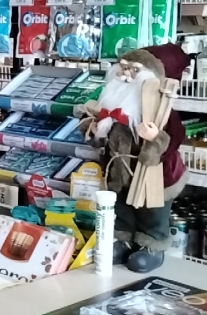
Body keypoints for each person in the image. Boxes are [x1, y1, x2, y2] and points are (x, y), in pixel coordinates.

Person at [79, 44, 188, 272]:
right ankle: (124, 241)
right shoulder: (111, 104)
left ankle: (152, 246)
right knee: (122, 208)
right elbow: (97, 137)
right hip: (119, 169)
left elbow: (176, 137)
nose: (126, 74)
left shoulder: (161, 111)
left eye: (135, 70)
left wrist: (155, 138)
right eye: (123, 67)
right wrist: (94, 131)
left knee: (152, 211)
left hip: (155, 174)